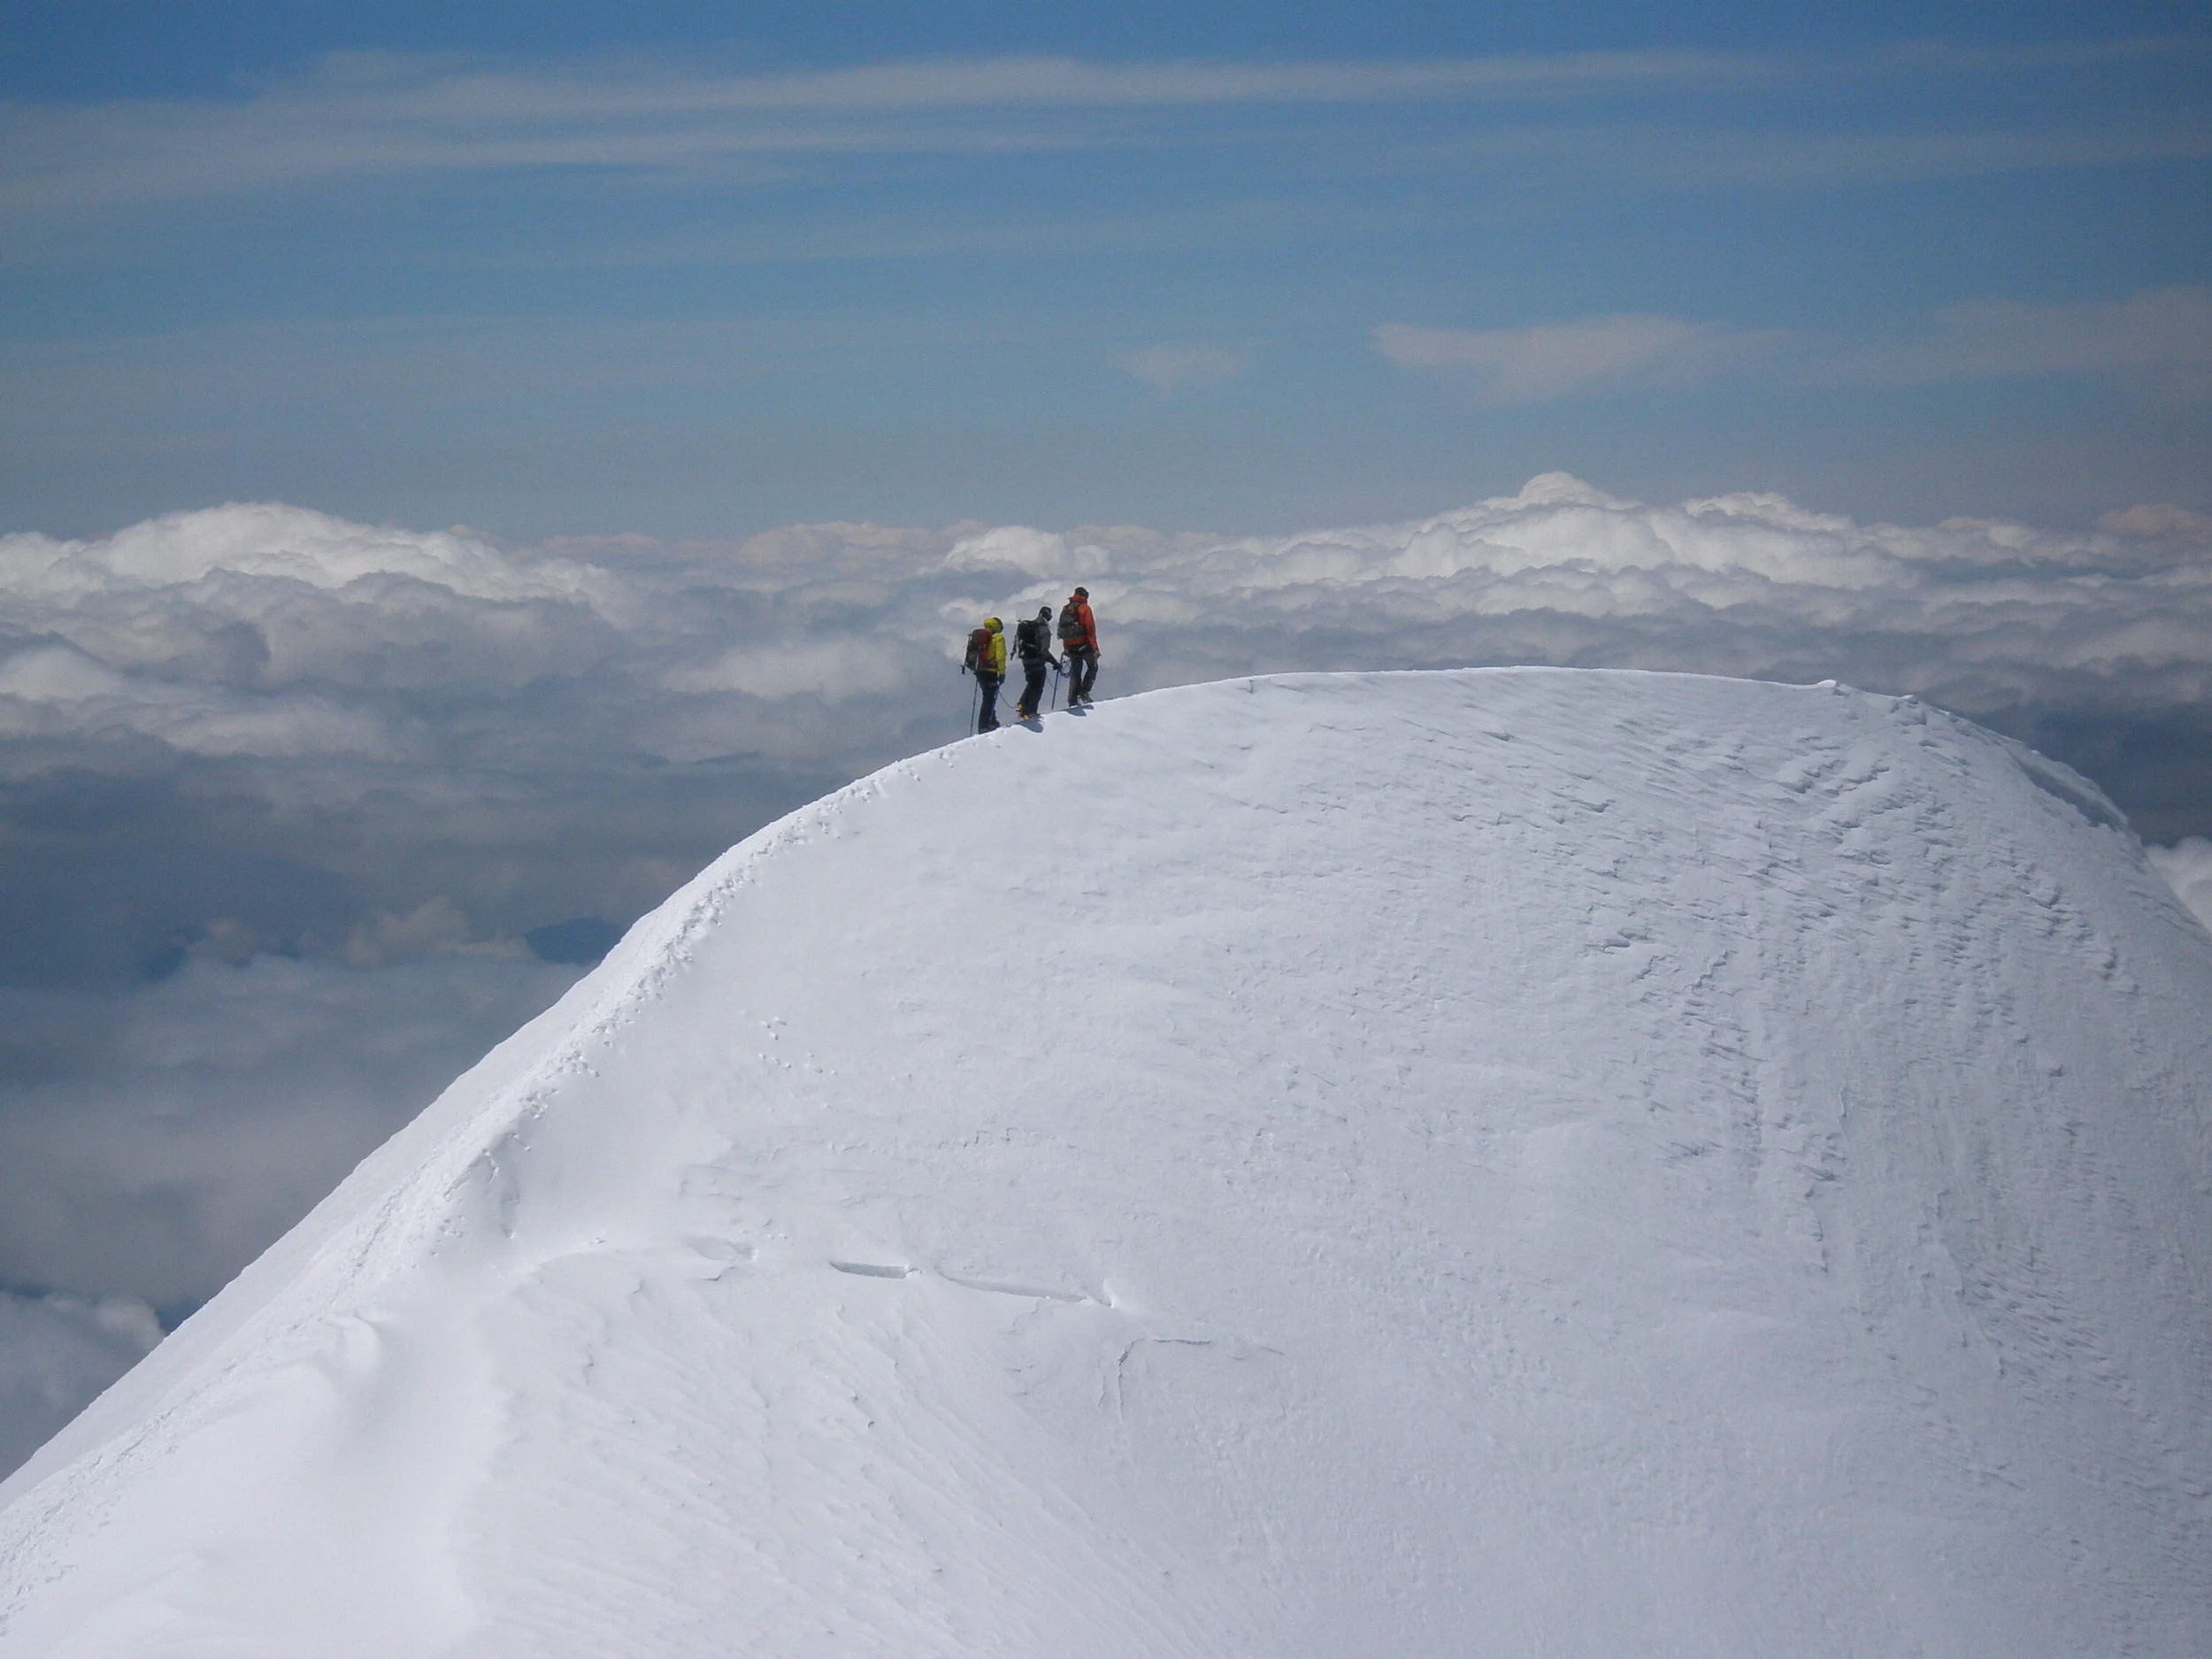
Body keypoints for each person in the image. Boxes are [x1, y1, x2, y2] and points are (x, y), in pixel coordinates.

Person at [1011, 605, 1058, 719]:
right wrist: (1054, 663)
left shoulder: (1030, 626)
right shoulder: (1043, 629)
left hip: (1025, 659)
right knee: (1037, 686)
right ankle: (1030, 711)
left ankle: (1022, 704)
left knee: (1031, 683)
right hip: (1037, 661)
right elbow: (1044, 650)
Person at [962, 616, 1006, 731]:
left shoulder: (979, 636)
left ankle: (991, 720)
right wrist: (1002, 673)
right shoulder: (998, 637)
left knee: (987, 696)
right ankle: (985, 725)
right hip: (990, 671)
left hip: (978, 670)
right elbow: (1001, 657)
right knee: (989, 698)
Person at [1056, 586, 1099, 706]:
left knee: (1075, 673)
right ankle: (1084, 691)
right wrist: (1095, 648)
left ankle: (1072, 700)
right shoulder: (1085, 608)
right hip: (1084, 645)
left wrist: (1066, 647)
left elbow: (1064, 630)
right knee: (1093, 666)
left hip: (1071, 647)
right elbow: (1090, 629)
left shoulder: (1066, 609)